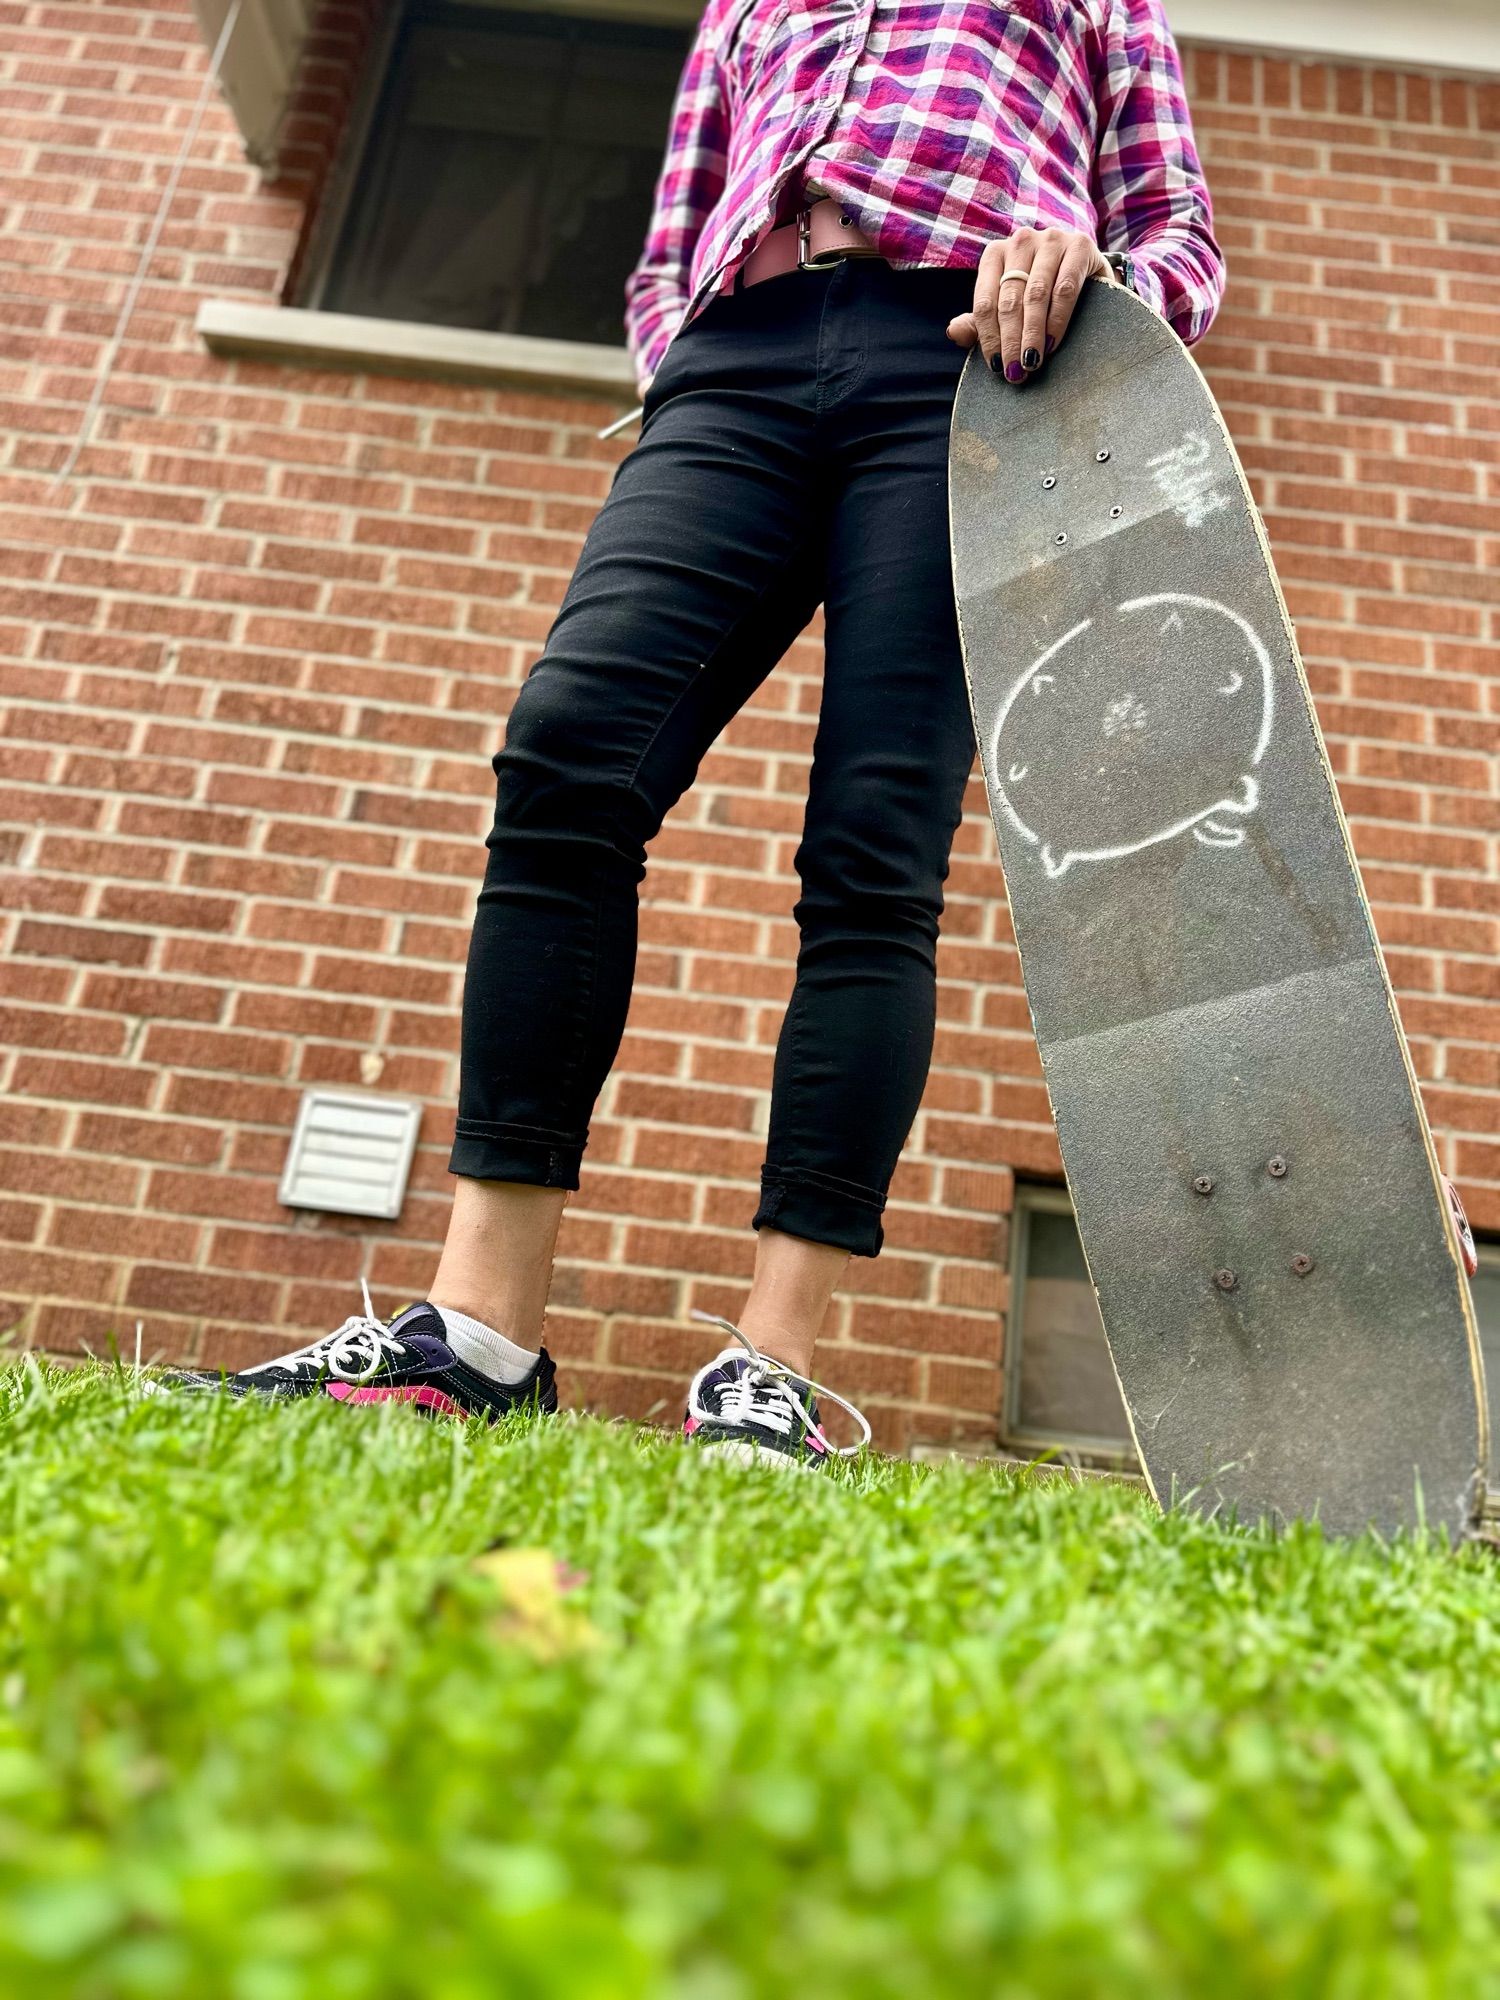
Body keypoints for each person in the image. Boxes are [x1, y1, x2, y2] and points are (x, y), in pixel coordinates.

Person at [171, 0, 1224, 1466]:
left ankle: (770, 1364)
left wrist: (1094, 279)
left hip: (974, 366)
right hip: (739, 367)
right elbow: (673, 237)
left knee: (875, 838)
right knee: (567, 751)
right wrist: (683, 365)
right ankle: (478, 1333)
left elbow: (1179, 233)